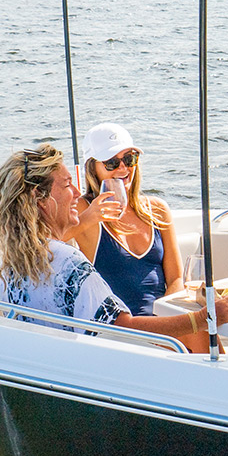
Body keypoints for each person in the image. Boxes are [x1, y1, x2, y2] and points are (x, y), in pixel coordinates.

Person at [0, 144, 228, 354]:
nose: (77, 193)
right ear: (41, 200)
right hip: (103, 367)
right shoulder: (68, 263)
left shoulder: (14, 263)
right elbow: (120, 327)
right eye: (68, 185)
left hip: (58, 365)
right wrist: (202, 319)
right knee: (200, 333)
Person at [72, 122, 189, 322]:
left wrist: (167, 319)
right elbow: (46, 242)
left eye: (129, 158)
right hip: (118, 327)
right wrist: (87, 219)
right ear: (93, 168)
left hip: (161, 322)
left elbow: (176, 280)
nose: (123, 168)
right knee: (202, 328)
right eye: (111, 162)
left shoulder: (157, 209)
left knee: (204, 326)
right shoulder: (83, 209)